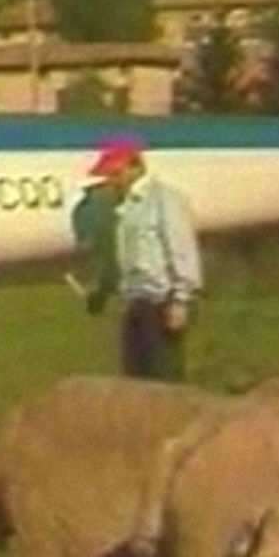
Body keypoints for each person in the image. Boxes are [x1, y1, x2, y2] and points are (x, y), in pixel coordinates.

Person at [77, 134, 203, 382]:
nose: (111, 181)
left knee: (163, 375)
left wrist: (181, 299)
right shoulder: (123, 207)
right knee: (136, 377)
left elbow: (181, 249)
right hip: (135, 301)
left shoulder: (164, 199)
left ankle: (172, 420)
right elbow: (123, 256)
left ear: (134, 167)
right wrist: (102, 290)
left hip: (161, 301)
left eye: (115, 173)